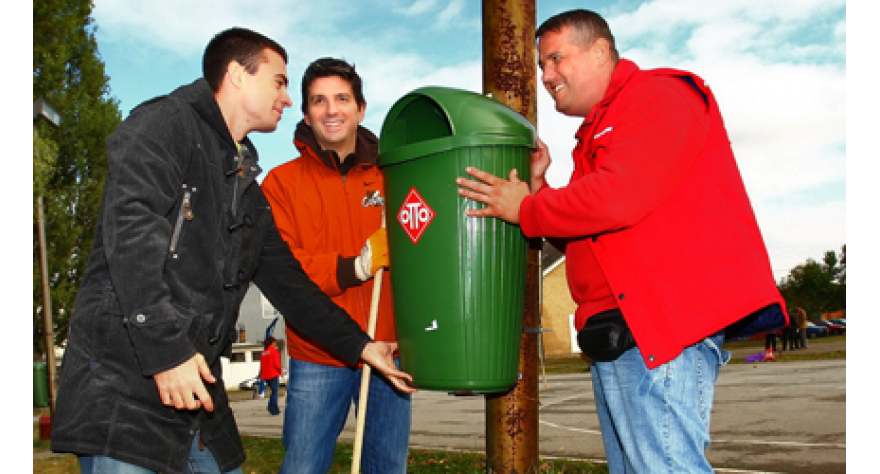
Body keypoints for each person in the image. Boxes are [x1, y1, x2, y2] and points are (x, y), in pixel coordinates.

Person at [50, 28, 414, 474]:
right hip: (126, 395)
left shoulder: (242, 185)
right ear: (238, 75)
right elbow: (130, 242)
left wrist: (361, 346)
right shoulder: (163, 125)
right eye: (279, 81)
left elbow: (293, 288)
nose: (286, 97)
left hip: (198, 398)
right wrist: (167, 355)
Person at [456, 9, 785, 473]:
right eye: (540, 66)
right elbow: (590, 232)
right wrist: (541, 191)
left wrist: (525, 208)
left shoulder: (659, 94)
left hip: (660, 326)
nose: (546, 76)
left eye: (555, 59)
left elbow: (619, 197)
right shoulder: (598, 128)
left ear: (600, 51)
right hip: (621, 332)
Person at [261, 57, 411, 474]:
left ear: (360, 108)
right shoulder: (280, 184)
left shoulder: (394, 176)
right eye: (318, 101)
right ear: (306, 114)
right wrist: (356, 266)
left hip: (386, 350)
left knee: (387, 466)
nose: (331, 110)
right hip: (318, 353)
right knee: (303, 466)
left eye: (342, 98)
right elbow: (286, 271)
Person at [260, 336, 283, 415]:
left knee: (273, 392)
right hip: (273, 374)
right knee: (275, 392)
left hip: (265, 375)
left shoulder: (263, 353)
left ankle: (271, 406)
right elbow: (276, 363)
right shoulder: (274, 351)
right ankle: (273, 408)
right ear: (272, 343)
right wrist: (281, 371)